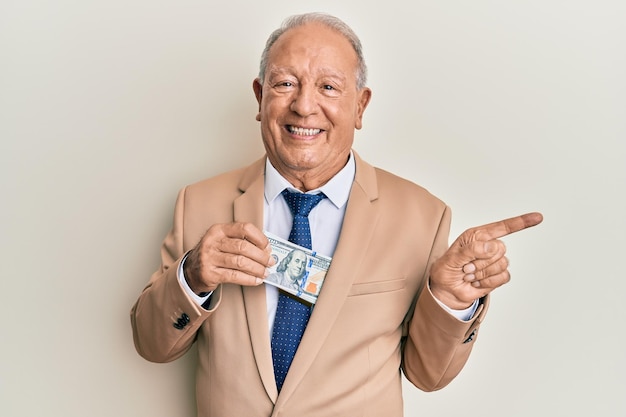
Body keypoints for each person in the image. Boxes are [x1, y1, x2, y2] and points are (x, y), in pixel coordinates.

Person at [130, 12, 543, 417]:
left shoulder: (423, 216)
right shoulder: (198, 203)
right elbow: (151, 344)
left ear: (360, 106)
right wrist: (193, 275)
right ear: (260, 97)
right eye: (285, 83)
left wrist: (450, 300)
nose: (304, 106)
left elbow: (428, 375)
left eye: (328, 87)